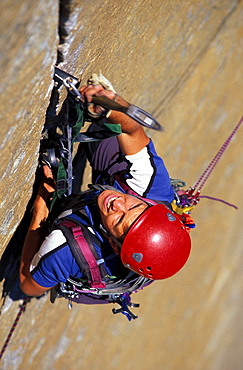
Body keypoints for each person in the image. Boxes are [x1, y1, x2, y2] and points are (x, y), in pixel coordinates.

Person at [19, 84, 192, 300]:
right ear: (149, 204)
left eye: (120, 220)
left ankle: (68, 211)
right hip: (121, 192)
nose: (118, 204)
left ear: (112, 243)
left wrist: (40, 213)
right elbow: (133, 130)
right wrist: (110, 107)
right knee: (108, 130)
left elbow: (29, 285)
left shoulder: (68, 252)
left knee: (59, 216)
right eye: (134, 206)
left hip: (83, 244)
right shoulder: (153, 190)